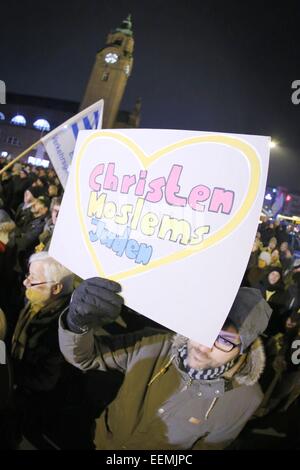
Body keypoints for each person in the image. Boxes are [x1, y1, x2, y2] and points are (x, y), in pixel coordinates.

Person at [59, 279, 272, 450]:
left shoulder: (245, 398)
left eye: (224, 340)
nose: (204, 347)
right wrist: (77, 325)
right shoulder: (156, 344)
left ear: (243, 350)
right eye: (206, 329)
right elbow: (87, 358)